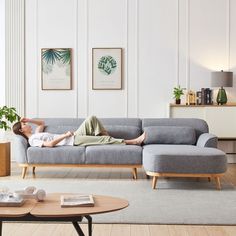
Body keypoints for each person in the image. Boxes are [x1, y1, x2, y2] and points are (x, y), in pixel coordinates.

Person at [12, 116, 146, 147]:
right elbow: (50, 145)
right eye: (24, 124)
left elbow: (42, 123)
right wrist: (65, 135)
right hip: (72, 140)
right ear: (21, 130)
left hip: (74, 136)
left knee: (91, 119)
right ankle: (133, 141)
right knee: (101, 139)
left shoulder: (36, 133)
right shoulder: (33, 140)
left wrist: (29, 119)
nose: (27, 124)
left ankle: (108, 139)